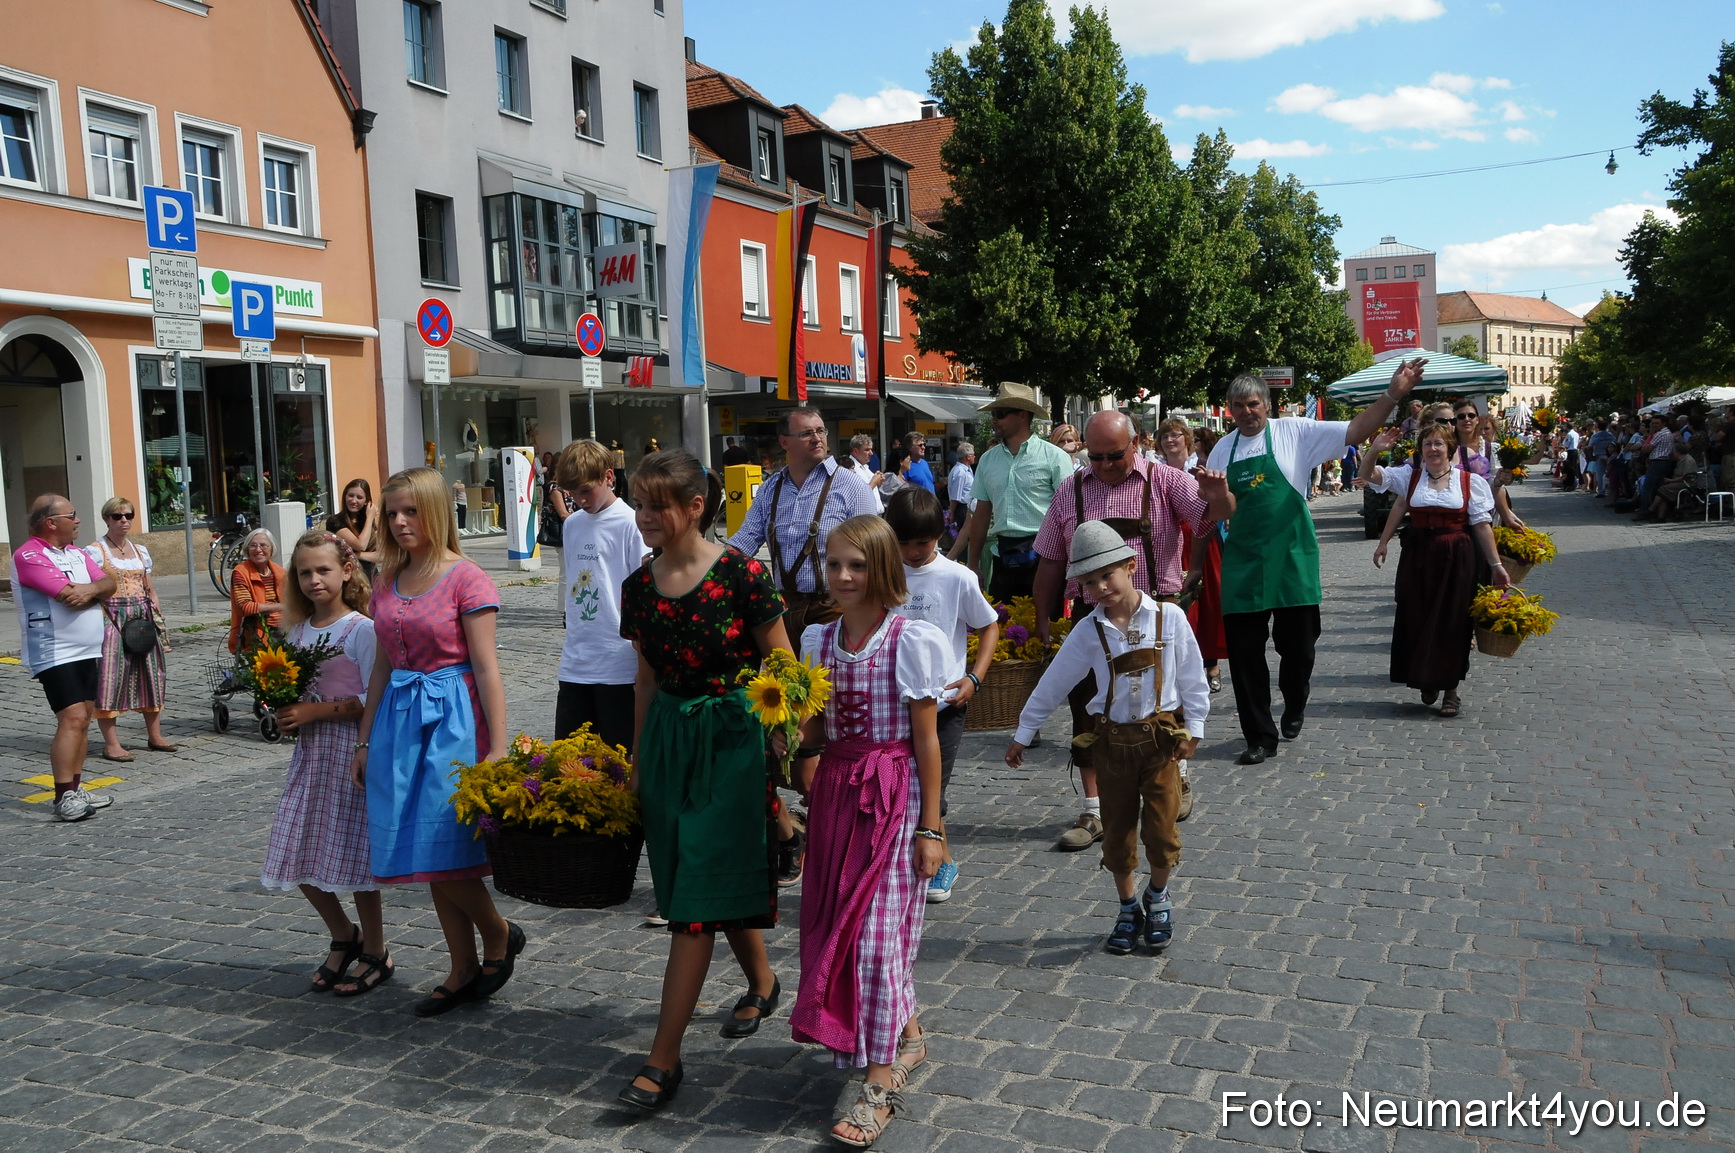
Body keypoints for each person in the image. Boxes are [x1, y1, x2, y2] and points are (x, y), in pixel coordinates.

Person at [616, 449, 788, 1113]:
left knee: (690, 907)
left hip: (732, 745)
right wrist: (638, 763)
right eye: (640, 502)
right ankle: (763, 980)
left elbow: (785, 669)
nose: (644, 515)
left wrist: (785, 749)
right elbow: (645, 680)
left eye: (657, 504)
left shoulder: (744, 576)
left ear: (695, 507)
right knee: (695, 877)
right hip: (668, 743)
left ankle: (663, 1059)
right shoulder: (638, 586)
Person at [788, 515, 949, 1148]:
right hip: (837, 795)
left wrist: (931, 826)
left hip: (891, 796)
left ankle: (878, 1084)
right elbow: (817, 729)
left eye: (856, 565)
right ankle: (908, 1034)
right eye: (834, 564)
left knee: (880, 938)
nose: (844, 576)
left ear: (881, 569)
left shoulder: (911, 639)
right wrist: (783, 730)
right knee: (848, 925)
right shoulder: (819, 640)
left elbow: (927, 741)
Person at [352, 467, 522, 1018]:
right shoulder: (387, 579)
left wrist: (498, 746)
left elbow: (487, 667)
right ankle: (462, 964)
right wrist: (364, 739)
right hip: (400, 723)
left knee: (440, 843)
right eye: (391, 513)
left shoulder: (467, 578)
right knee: (421, 850)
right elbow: (381, 666)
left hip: (454, 720)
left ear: (434, 511)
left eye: (411, 511)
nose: (400, 522)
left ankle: (496, 933)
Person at [1206, 362, 1425, 765]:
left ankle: (1295, 699)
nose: (1246, 412)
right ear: (1229, 409)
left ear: (1266, 404)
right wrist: (1217, 494)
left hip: (1292, 557)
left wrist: (1394, 393)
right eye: (1238, 406)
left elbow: (1355, 431)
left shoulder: (1295, 431)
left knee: (1300, 648)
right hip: (1244, 562)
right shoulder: (1223, 449)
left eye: (1252, 404)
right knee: (1245, 655)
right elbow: (1223, 512)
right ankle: (1259, 736)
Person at [1006, 522, 1209, 955]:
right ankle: (1127, 905)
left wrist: (1195, 729)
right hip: (1112, 747)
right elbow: (1054, 682)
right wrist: (1024, 732)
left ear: (1131, 566)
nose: (1100, 587)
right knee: (1117, 834)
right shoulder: (1088, 630)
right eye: (1089, 582)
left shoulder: (1168, 617)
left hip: (1160, 745)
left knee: (1162, 831)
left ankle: (1158, 896)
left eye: (1107, 575)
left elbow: (1193, 678)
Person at [1032, 410, 1232, 845]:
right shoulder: (1070, 489)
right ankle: (1094, 810)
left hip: (1156, 612)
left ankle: (1175, 774)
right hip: (1093, 620)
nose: (1104, 465)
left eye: (1114, 455)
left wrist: (1221, 497)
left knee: (1162, 703)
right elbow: (1050, 558)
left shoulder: (1165, 480)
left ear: (1137, 443)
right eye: (1095, 456)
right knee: (1089, 710)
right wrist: (1041, 617)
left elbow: (1212, 517)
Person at [262, 531, 392, 996]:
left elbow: (374, 695)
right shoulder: (296, 631)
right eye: (304, 573)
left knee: (355, 854)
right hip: (311, 754)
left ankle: (376, 948)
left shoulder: (361, 630)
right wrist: (287, 713)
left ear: (346, 571)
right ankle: (343, 933)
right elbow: (294, 689)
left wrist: (317, 711)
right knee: (293, 845)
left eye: (323, 570)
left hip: (350, 749)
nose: (314, 580)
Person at [884, 488, 998, 905]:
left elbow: (988, 626)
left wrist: (974, 678)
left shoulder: (956, 577)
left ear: (939, 535)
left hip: (944, 702)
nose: (913, 552)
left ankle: (941, 857)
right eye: (904, 543)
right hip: (893, 700)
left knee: (933, 783)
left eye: (923, 542)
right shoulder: (882, 573)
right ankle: (928, 854)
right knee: (905, 783)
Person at [1366, 425, 1511, 718]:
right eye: (1427, 444)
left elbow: (1482, 526)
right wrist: (1374, 450)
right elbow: (1369, 475)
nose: (1432, 449)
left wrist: (1496, 565)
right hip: (1418, 555)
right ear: (1421, 450)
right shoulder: (1410, 477)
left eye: (1438, 444)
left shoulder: (1469, 482)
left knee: (1453, 621)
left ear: (1450, 449)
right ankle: (1426, 677)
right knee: (1416, 616)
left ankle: (1450, 689)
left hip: (1457, 556)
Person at [12, 495, 117, 822]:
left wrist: (93, 589)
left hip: (87, 649)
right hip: (54, 650)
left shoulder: (76, 553)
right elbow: (67, 595)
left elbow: (109, 582)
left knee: (84, 718)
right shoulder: (29, 555)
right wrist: (93, 591)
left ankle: (75, 786)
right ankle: (63, 797)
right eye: (72, 515)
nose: (78, 520)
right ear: (51, 523)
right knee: (71, 718)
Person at [728, 407, 877, 635]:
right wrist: (701, 562)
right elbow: (744, 541)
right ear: (784, 442)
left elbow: (872, 553)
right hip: (783, 609)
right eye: (807, 433)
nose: (817, 438)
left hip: (835, 609)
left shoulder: (852, 487)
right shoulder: (770, 489)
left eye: (821, 431)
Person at [552, 439, 645, 751]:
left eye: (586, 491)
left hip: (619, 664)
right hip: (576, 662)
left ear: (608, 477)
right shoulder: (573, 525)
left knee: (618, 759)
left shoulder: (631, 523)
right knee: (568, 760)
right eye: (572, 494)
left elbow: (640, 594)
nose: (580, 501)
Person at [965, 384, 1075, 601]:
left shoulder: (1054, 457)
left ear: (1022, 415)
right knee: (1001, 619)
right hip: (1003, 554)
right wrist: (973, 564)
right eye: (993, 414)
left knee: (1046, 620)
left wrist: (1072, 564)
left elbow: (1070, 513)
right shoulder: (987, 460)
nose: (994, 420)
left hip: (1045, 556)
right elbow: (981, 515)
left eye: (1000, 414)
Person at [85, 496, 173, 761]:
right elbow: (91, 590)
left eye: (128, 515)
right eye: (117, 516)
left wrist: (155, 614)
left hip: (142, 617)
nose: (123, 520)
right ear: (106, 519)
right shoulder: (95, 552)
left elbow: (149, 588)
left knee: (151, 674)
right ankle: (111, 743)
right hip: (112, 618)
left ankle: (155, 735)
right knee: (111, 678)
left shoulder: (140, 551)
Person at [228, 528, 286, 656]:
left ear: (272, 548)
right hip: (258, 633)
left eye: (263, 545)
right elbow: (245, 607)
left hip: (286, 628)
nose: (258, 550)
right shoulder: (241, 572)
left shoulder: (280, 572)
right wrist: (281, 606)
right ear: (247, 549)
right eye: (253, 545)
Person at [326, 479, 380, 576]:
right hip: (350, 575)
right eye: (350, 495)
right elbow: (360, 545)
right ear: (345, 496)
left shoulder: (367, 524)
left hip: (371, 575)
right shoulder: (336, 521)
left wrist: (355, 555)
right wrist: (370, 517)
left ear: (366, 501)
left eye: (359, 497)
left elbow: (381, 555)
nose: (354, 500)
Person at [1637, 441, 1701, 522]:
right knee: (1663, 494)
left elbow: (1686, 477)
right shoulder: (1680, 460)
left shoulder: (1688, 460)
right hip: (1678, 482)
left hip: (1686, 484)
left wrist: (1671, 480)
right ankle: (1660, 517)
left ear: (1678, 452)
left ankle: (1651, 509)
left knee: (1662, 490)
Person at [844, 434, 886, 512]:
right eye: (867, 450)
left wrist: (878, 482)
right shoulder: (848, 468)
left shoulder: (864, 466)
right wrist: (874, 482)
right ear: (856, 451)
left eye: (871, 449)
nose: (871, 453)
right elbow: (856, 496)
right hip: (863, 516)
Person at [946, 442, 976, 539]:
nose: (975, 457)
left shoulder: (967, 470)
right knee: (965, 536)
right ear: (968, 457)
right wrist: (952, 514)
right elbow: (955, 497)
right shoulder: (960, 472)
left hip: (968, 507)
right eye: (973, 455)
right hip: (962, 508)